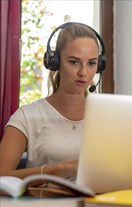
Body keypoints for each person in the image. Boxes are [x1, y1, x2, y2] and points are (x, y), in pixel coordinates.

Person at [0, 22, 100, 182]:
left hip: (100, 203)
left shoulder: (108, 117)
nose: (84, 72)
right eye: (74, 62)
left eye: (92, 63)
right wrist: (61, 169)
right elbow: (1, 176)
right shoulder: (27, 116)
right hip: (46, 204)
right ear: (55, 62)